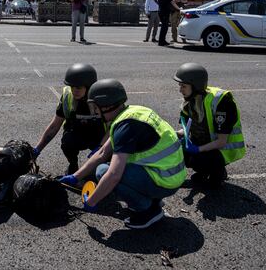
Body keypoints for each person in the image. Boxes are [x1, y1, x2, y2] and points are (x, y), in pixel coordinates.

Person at [59, 79, 186, 229]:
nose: (95, 112)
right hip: (170, 174)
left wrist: (91, 201)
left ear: (105, 106)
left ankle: (148, 210)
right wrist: (75, 177)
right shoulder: (130, 113)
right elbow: (102, 153)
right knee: (105, 168)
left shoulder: (125, 127)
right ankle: (152, 199)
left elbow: (114, 175)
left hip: (165, 180)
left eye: (95, 107)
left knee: (103, 172)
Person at [174, 63, 245, 188]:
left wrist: (196, 150)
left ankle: (218, 173)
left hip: (223, 149)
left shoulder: (222, 102)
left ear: (195, 86)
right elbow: (186, 128)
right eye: (180, 86)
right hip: (206, 142)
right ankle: (203, 170)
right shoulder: (191, 100)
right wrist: (172, 135)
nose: (180, 90)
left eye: (183, 86)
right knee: (176, 148)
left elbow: (221, 142)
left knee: (198, 160)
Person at [33, 64, 105, 175]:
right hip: (77, 134)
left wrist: (102, 149)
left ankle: (97, 165)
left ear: (89, 86)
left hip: (99, 137)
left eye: (78, 88)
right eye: (72, 87)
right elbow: (54, 126)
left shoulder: (102, 99)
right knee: (67, 142)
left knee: (103, 167)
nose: (73, 91)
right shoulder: (68, 97)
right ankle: (73, 164)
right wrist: (37, 149)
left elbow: (112, 129)